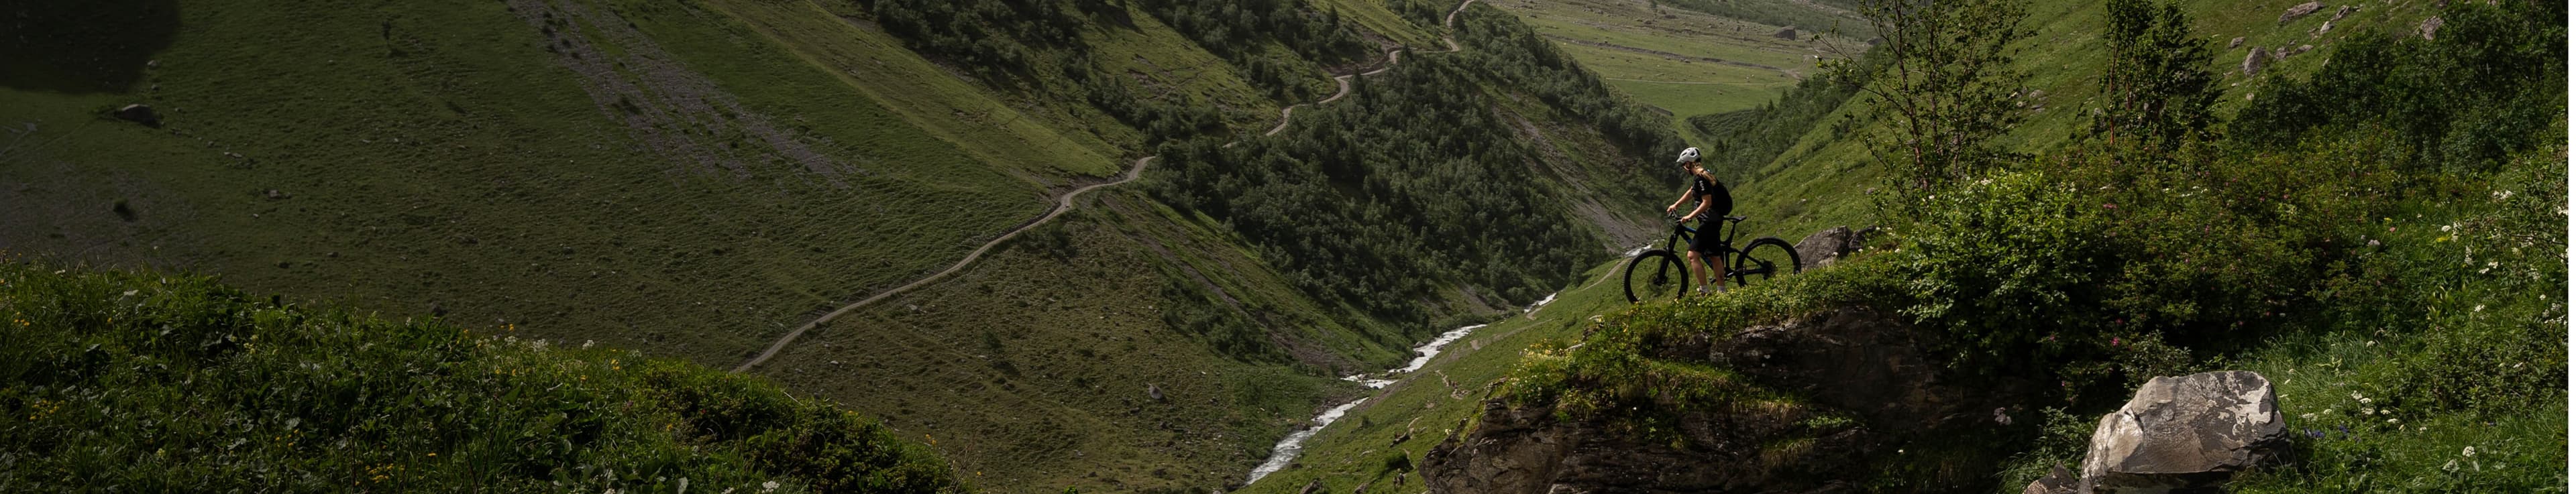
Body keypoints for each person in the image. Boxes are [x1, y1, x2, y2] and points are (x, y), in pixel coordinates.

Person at [1662, 147, 1733, 295]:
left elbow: (1707, 202)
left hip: (1710, 221)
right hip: (1713, 220)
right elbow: (1691, 192)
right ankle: (1722, 292)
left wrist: (1689, 216)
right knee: (1714, 256)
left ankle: (1704, 291)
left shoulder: (1701, 179)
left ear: (1689, 164)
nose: (1683, 168)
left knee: (1692, 256)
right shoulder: (1703, 175)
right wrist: (1676, 204)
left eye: (1684, 165)